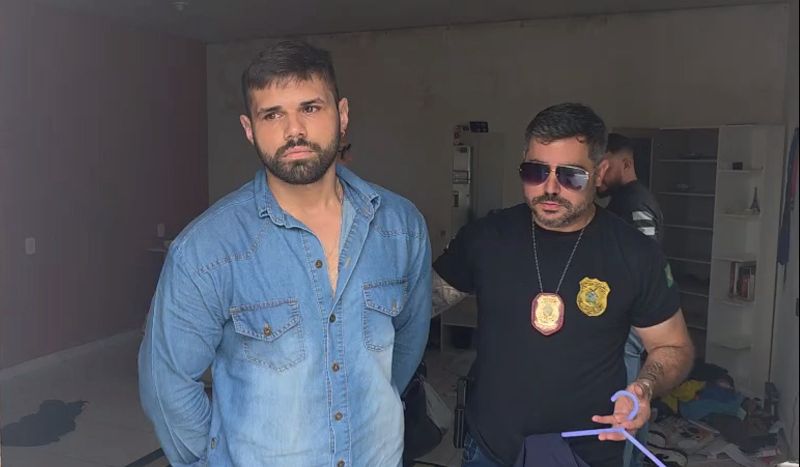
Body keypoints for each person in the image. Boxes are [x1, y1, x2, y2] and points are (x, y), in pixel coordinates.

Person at [138, 40, 432, 467]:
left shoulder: (400, 227)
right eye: (272, 114)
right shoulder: (207, 249)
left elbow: (407, 348)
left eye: (310, 108)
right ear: (249, 128)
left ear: (342, 114)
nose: (294, 130)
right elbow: (166, 384)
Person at [432, 103, 693, 467]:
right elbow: (417, 305)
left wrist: (644, 388)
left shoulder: (635, 254)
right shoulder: (486, 239)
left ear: (599, 173)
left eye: (571, 176)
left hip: (587, 453)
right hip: (491, 450)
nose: (550, 188)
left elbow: (673, 346)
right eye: (536, 172)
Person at [598, 132, 666, 467]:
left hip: (629, 320)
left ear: (625, 163)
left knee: (625, 403)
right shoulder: (623, 201)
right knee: (633, 398)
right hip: (628, 318)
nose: (599, 174)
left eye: (605, 165)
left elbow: (644, 265)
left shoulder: (635, 203)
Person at [598, 133, 663, 243]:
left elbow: (644, 249)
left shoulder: (636, 202)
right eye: (597, 168)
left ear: (626, 165)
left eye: (606, 168)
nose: (599, 174)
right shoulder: (623, 197)